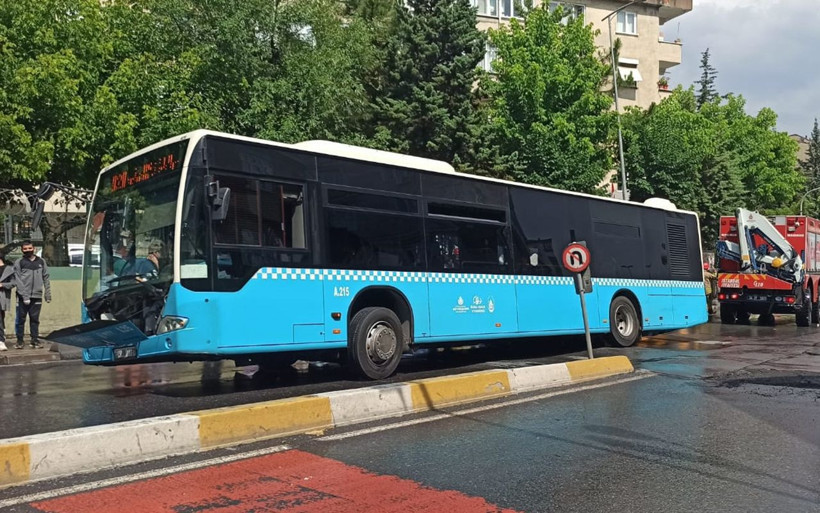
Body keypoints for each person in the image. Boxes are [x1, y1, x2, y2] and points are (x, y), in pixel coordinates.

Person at [13, 241, 51, 349]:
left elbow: (46, 278)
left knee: (35, 319)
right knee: (21, 319)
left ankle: (34, 340)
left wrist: (47, 294)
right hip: (22, 297)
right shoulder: (19, 262)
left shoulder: (41, 261)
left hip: (37, 296)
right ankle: (20, 341)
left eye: (30, 248)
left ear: (34, 248)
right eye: (25, 249)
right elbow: (18, 280)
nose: (28, 250)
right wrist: (24, 296)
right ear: (22, 250)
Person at [0, 253, 13, 351]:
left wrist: (3, 285)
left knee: (0, 318)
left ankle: (1, 340)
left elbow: (14, 283)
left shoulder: (9, 269)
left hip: (2, 296)